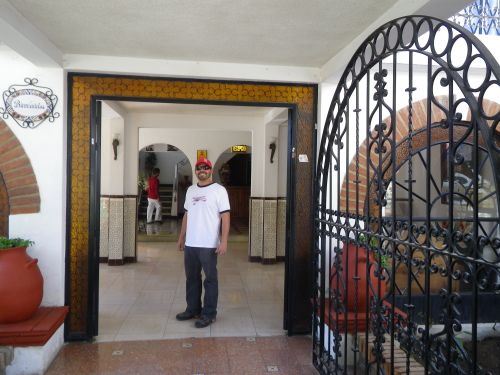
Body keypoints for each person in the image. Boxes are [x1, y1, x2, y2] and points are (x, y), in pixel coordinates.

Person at [176, 157, 230, 328]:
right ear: (195, 171)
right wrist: (181, 237)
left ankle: (209, 314)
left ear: (210, 170)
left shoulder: (219, 190)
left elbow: (225, 216)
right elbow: (187, 215)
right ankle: (193, 309)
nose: (202, 171)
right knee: (191, 278)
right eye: (199, 168)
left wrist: (224, 241)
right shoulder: (191, 190)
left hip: (209, 244)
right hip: (191, 243)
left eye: (205, 168)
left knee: (210, 280)